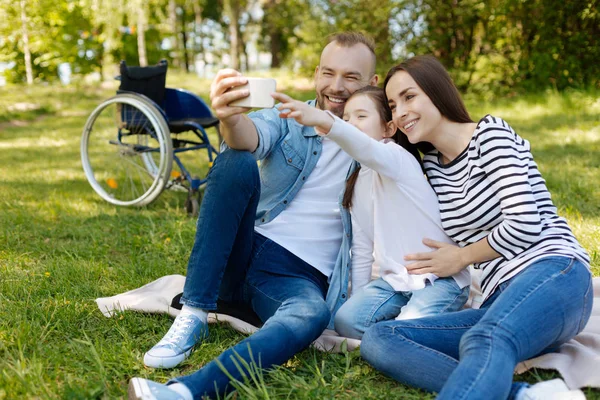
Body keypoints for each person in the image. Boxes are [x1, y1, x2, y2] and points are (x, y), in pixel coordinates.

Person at [127, 32, 379, 400]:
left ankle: (185, 392)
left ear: (373, 83)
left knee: (311, 315)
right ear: (316, 73)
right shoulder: (289, 116)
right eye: (328, 73)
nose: (336, 87)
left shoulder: (380, 144)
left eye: (351, 77)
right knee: (236, 160)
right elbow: (250, 137)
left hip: (294, 279)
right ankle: (194, 312)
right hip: (243, 250)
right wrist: (229, 118)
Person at [358, 55, 593, 400]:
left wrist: (462, 257)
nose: (400, 112)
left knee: (486, 338)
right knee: (382, 338)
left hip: (554, 273)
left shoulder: (490, 134)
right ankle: (527, 396)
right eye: (393, 105)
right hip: (500, 298)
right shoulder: (434, 169)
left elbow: (525, 223)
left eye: (410, 97)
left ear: (437, 92)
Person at [270, 86, 470, 340]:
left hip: (439, 278)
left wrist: (326, 120)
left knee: (407, 330)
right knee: (347, 321)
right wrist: (359, 299)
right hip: (395, 282)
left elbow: (366, 148)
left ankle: (451, 326)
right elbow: (362, 249)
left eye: (361, 117)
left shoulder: (398, 160)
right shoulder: (355, 183)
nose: (351, 123)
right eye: (346, 119)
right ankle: (400, 330)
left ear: (388, 129)